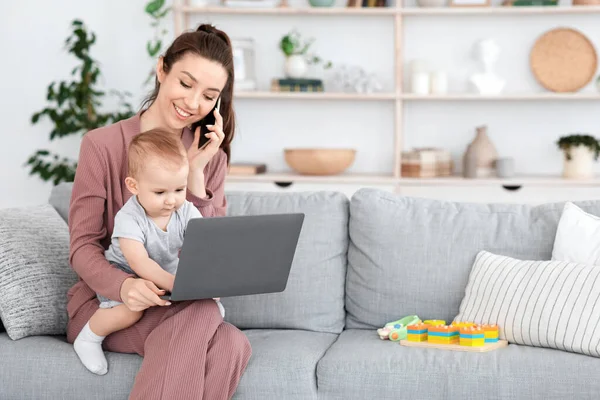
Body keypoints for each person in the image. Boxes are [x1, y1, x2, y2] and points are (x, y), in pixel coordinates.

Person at [66, 23, 251, 399]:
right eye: (185, 83)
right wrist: (124, 286)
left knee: (233, 345)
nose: (193, 103)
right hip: (110, 304)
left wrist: (196, 175)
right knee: (207, 318)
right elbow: (82, 246)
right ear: (162, 69)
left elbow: (208, 260)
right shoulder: (102, 146)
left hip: (177, 303)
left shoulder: (211, 158)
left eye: (209, 95)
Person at [73, 129, 225, 376]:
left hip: (166, 273)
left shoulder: (185, 210)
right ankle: (90, 337)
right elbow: (140, 262)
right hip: (129, 275)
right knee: (130, 312)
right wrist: (179, 286)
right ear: (134, 186)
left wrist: (206, 283)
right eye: (160, 192)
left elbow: (203, 246)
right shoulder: (129, 217)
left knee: (211, 308)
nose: (171, 201)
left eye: (179, 189)